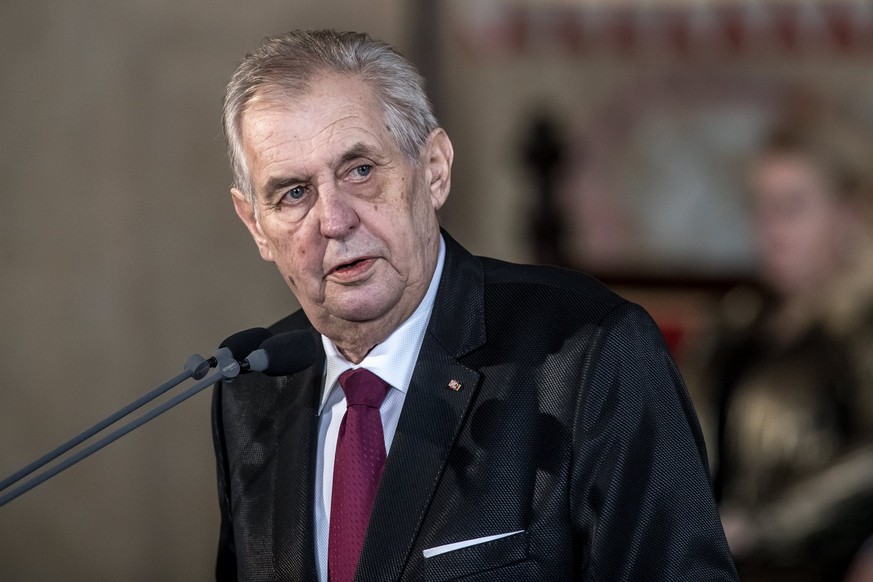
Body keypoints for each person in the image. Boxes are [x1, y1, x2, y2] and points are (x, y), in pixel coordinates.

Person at [211, 29, 736, 581]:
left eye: (360, 171)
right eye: (294, 193)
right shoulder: (251, 388)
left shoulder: (592, 352)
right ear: (256, 226)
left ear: (434, 169)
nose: (335, 221)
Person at [697, 114, 873, 580]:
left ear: (850, 211)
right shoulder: (739, 317)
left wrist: (758, 526)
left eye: (791, 206)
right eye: (759, 206)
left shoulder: (862, 327)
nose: (768, 227)